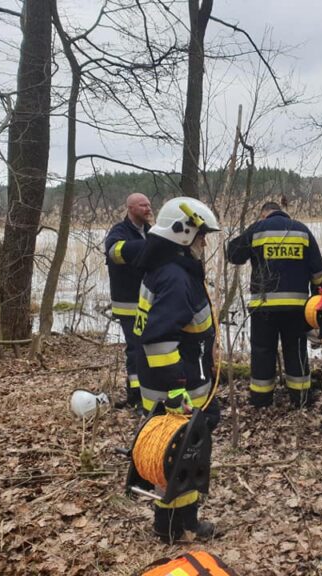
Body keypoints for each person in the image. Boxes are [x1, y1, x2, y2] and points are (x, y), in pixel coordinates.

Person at [132, 196, 222, 542]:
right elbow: (159, 341)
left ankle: (178, 521)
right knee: (180, 455)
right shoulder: (174, 278)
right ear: (182, 233)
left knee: (179, 452)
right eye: (201, 236)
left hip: (170, 381)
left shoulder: (166, 268)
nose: (204, 244)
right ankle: (175, 526)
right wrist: (177, 390)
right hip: (177, 386)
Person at [226, 201, 322, 408]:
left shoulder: (258, 229)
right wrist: (316, 301)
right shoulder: (302, 230)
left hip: (264, 307)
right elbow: (318, 272)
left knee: (263, 351)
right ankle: (300, 398)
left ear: (264, 214)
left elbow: (233, 254)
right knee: (296, 350)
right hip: (297, 308)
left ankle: (261, 400)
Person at [105, 193, 153, 408]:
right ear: (130, 208)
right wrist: (149, 247)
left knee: (150, 348)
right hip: (129, 306)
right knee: (136, 349)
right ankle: (136, 395)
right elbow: (114, 252)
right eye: (143, 205)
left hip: (149, 304)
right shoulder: (119, 232)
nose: (148, 208)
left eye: (149, 205)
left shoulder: (151, 232)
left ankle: (148, 391)